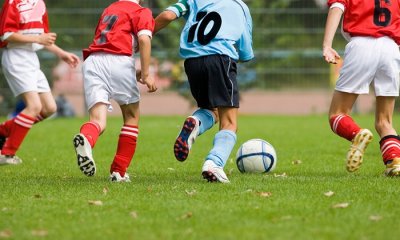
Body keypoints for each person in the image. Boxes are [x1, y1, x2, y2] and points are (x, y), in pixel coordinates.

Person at [155, 0, 254, 183]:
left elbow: (168, 15)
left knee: (210, 110)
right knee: (230, 122)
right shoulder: (239, 5)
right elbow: (245, 52)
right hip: (220, 58)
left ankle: (195, 121)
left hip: (192, 61)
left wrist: (144, 35)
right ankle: (213, 163)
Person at [73, 0, 157, 182]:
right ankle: (118, 172)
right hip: (120, 60)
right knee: (131, 117)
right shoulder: (142, 11)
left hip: (93, 61)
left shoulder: (110, 9)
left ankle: (86, 138)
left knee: (97, 120)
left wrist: (132, 73)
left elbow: (108, 44)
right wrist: (146, 73)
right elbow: (143, 39)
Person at [322, 0, 400, 176]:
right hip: (391, 48)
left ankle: (357, 134)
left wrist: (327, 44)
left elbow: (337, 8)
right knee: (385, 121)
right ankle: (395, 162)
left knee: (337, 114)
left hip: (362, 44)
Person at [0, 0, 79, 165]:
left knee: (50, 108)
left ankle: (4, 130)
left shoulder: (40, 4)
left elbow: (44, 38)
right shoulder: (13, 2)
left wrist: (61, 53)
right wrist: (38, 38)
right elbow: (6, 35)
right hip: (16, 57)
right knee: (34, 107)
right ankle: (6, 153)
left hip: (31, 59)